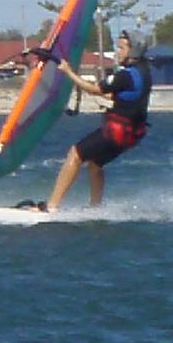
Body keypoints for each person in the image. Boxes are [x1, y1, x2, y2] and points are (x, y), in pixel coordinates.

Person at [44, 30, 152, 211]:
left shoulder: (125, 75)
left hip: (117, 132)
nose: (117, 52)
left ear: (133, 51)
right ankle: (95, 207)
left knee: (75, 154)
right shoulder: (144, 72)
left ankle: (52, 205)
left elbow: (95, 89)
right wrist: (101, 95)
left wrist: (68, 72)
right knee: (95, 164)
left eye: (121, 48)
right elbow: (125, 95)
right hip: (132, 135)